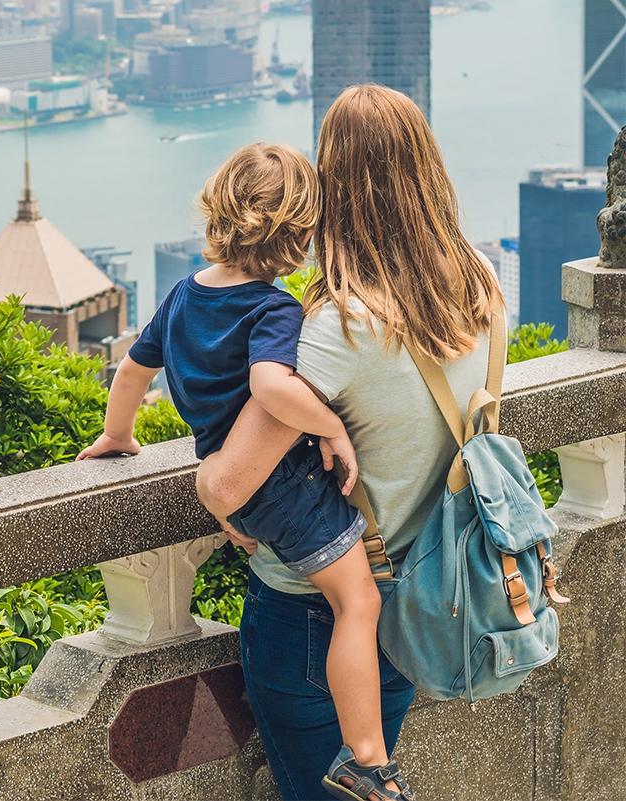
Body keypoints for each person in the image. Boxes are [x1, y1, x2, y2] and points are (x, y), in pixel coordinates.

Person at [196, 84, 504, 801]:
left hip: (312, 616)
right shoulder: (482, 284)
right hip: (422, 599)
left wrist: (205, 485)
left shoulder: (338, 327)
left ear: (331, 182)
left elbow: (232, 484)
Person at [77, 142, 404, 799]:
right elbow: (271, 386)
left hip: (239, 489)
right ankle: (365, 756)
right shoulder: (274, 309)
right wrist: (329, 422)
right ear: (302, 234)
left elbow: (134, 370)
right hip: (289, 490)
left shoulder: (181, 296)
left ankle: (363, 754)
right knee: (358, 599)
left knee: (351, 599)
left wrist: (118, 432)